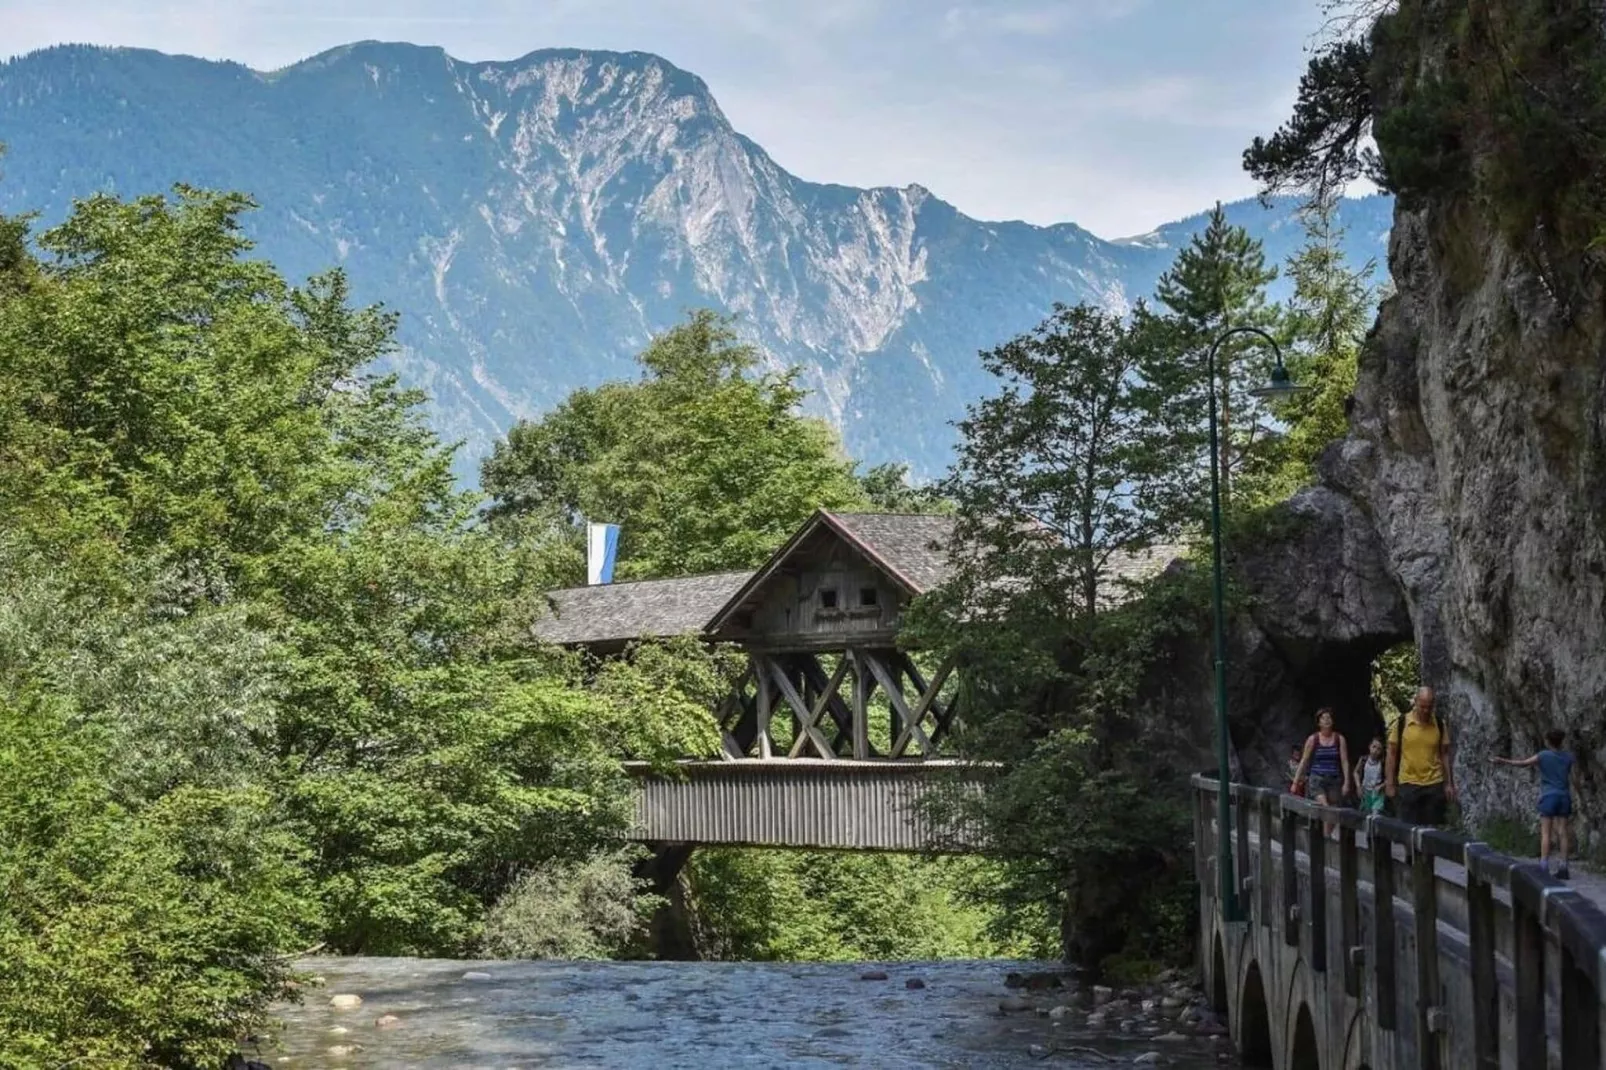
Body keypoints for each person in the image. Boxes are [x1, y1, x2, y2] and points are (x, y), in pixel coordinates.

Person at [1492, 729, 1577, 879]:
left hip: (1549, 796)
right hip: (1564, 796)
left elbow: (1523, 763)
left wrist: (1502, 760)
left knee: (1546, 832)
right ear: (1561, 741)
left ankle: (1544, 866)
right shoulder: (1568, 757)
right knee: (1562, 832)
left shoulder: (1543, 755)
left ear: (1548, 741)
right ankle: (1563, 867)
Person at [1385, 686, 1456, 826]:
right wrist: (1390, 783)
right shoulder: (1402, 723)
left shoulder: (1440, 725)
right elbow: (1391, 754)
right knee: (1408, 831)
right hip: (1408, 784)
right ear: (1415, 702)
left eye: (1429, 707)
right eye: (1422, 706)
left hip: (1434, 784)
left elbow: (1444, 754)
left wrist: (1448, 783)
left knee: (1432, 833)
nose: (1425, 711)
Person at [1292, 708, 1351, 836]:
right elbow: (1304, 760)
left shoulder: (1339, 739)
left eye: (1329, 718)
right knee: (1326, 808)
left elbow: (1345, 761)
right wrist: (1295, 782)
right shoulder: (1313, 739)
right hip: (1317, 779)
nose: (1327, 720)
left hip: (1334, 779)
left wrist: (1347, 782)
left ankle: (1325, 837)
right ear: (1318, 722)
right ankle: (1325, 840)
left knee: (1334, 812)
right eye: (1323, 718)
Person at [1352, 736, 1386, 815]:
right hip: (1365, 791)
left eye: (1379, 749)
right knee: (1365, 814)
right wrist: (1358, 786)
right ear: (1369, 747)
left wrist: (1381, 786)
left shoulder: (1382, 763)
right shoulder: (1363, 760)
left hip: (1377, 793)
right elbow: (1355, 772)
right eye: (1374, 747)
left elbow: (1389, 779)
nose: (1375, 751)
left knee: (1375, 814)